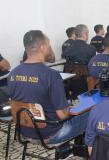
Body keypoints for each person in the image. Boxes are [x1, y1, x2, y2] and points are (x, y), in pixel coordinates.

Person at [8, 30, 88, 158]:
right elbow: (62, 115)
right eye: (49, 44)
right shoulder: (51, 75)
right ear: (42, 47)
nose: (50, 47)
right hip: (50, 135)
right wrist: (73, 109)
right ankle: (81, 150)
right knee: (90, 113)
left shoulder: (12, 73)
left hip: (24, 131)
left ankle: (65, 150)